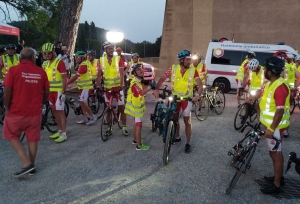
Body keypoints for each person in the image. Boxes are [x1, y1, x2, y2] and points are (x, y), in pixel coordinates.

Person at [2, 48, 49, 177]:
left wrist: (6, 107)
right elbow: (46, 92)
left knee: (11, 135)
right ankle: (31, 166)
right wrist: (42, 103)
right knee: (32, 139)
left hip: (16, 111)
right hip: (35, 112)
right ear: (33, 57)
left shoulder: (13, 70)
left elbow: (7, 90)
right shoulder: (41, 72)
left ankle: (27, 163)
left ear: (20, 58)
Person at [247, 56, 290, 194]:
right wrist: (254, 96)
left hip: (275, 127)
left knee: (275, 154)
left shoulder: (280, 87)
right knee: (275, 153)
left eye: (266, 68)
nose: (264, 70)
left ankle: (277, 185)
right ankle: (279, 177)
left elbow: (279, 111)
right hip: (270, 125)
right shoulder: (271, 83)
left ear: (271, 71)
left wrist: (271, 129)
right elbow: (262, 91)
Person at [154, 50, 203, 153]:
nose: (189, 61)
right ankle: (177, 136)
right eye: (187, 59)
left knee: (187, 121)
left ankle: (188, 143)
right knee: (173, 117)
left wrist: (197, 95)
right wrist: (157, 89)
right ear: (181, 60)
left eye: (190, 59)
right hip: (175, 97)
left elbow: (200, 85)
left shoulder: (193, 70)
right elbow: (162, 78)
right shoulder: (173, 68)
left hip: (187, 99)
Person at [98, 41, 128, 136]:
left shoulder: (118, 59)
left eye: (112, 48)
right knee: (108, 109)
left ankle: (124, 126)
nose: (111, 50)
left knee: (121, 108)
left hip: (118, 88)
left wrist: (121, 86)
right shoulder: (101, 60)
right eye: (109, 48)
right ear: (105, 49)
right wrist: (98, 86)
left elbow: (121, 74)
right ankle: (109, 127)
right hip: (107, 89)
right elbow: (99, 75)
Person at [125, 63, 155, 150]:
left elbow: (142, 89)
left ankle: (135, 139)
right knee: (139, 125)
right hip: (136, 108)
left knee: (136, 124)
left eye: (140, 69)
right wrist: (150, 87)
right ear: (134, 73)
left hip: (136, 107)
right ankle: (139, 145)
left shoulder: (137, 81)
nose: (141, 70)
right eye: (138, 70)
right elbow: (141, 93)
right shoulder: (134, 83)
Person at [42, 43, 67, 143]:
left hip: (58, 92)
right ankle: (59, 130)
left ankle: (64, 134)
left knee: (60, 112)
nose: (47, 55)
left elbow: (65, 78)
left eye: (49, 53)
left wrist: (64, 92)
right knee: (54, 112)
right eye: (45, 53)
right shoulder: (44, 64)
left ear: (53, 52)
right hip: (50, 92)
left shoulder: (59, 62)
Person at [67, 51, 97, 125]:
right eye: (76, 57)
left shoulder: (83, 65)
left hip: (86, 87)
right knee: (81, 102)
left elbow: (76, 76)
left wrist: (67, 83)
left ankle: (93, 116)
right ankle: (85, 118)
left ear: (82, 58)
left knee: (82, 102)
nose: (76, 58)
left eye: (77, 57)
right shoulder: (84, 63)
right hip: (82, 87)